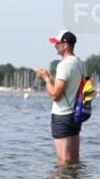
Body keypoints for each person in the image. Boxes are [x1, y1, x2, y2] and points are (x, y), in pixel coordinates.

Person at [35, 30, 85, 165]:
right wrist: (51, 76)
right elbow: (68, 86)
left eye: (57, 43)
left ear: (66, 45)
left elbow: (55, 95)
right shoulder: (80, 63)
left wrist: (45, 79)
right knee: (74, 158)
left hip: (62, 115)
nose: (55, 46)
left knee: (63, 160)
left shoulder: (64, 65)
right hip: (75, 114)